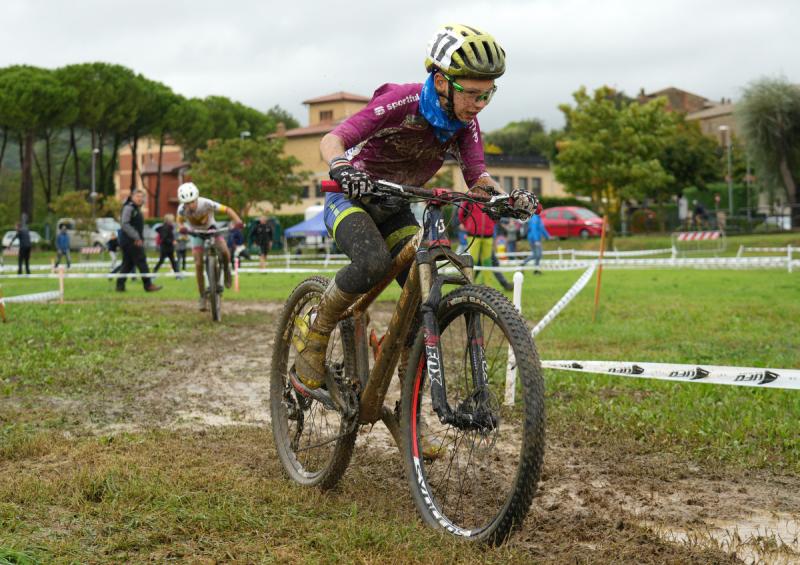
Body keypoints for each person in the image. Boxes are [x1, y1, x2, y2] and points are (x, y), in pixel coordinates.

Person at [291, 23, 538, 396]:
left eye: (487, 95)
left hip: (395, 208)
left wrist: (506, 199)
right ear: (441, 81)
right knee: (372, 262)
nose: (479, 105)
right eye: (471, 94)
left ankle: (409, 406)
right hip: (351, 199)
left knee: (426, 293)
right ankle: (317, 329)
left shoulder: (465, 124)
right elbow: (333, 139)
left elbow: (478, 179)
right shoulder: (401, 102)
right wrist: (342, 169)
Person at [175, 182, 243, 311]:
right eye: (186, 203)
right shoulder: (181, 210)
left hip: (212, 230)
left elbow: (227, 210)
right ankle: (202, 296)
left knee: (225, 252)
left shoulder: (206, 203)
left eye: (192, 202)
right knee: (198, 263)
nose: (190, 205)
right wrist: (181, 228)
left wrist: (238, 221)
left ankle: (227, 271)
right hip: (196, 234)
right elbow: (179, 220)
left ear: (196, 199)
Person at [116, 190, 162, 293]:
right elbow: (125, 224)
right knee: (141, 261)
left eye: (142, 197)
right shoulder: (129, 208)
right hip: (131, 241)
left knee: (127, 264)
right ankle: (148, 285)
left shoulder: (135, 208)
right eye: (137, 196)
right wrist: (136, 237)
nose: (140, 199)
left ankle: (120, 285)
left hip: (129, 240)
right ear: (132, 197)